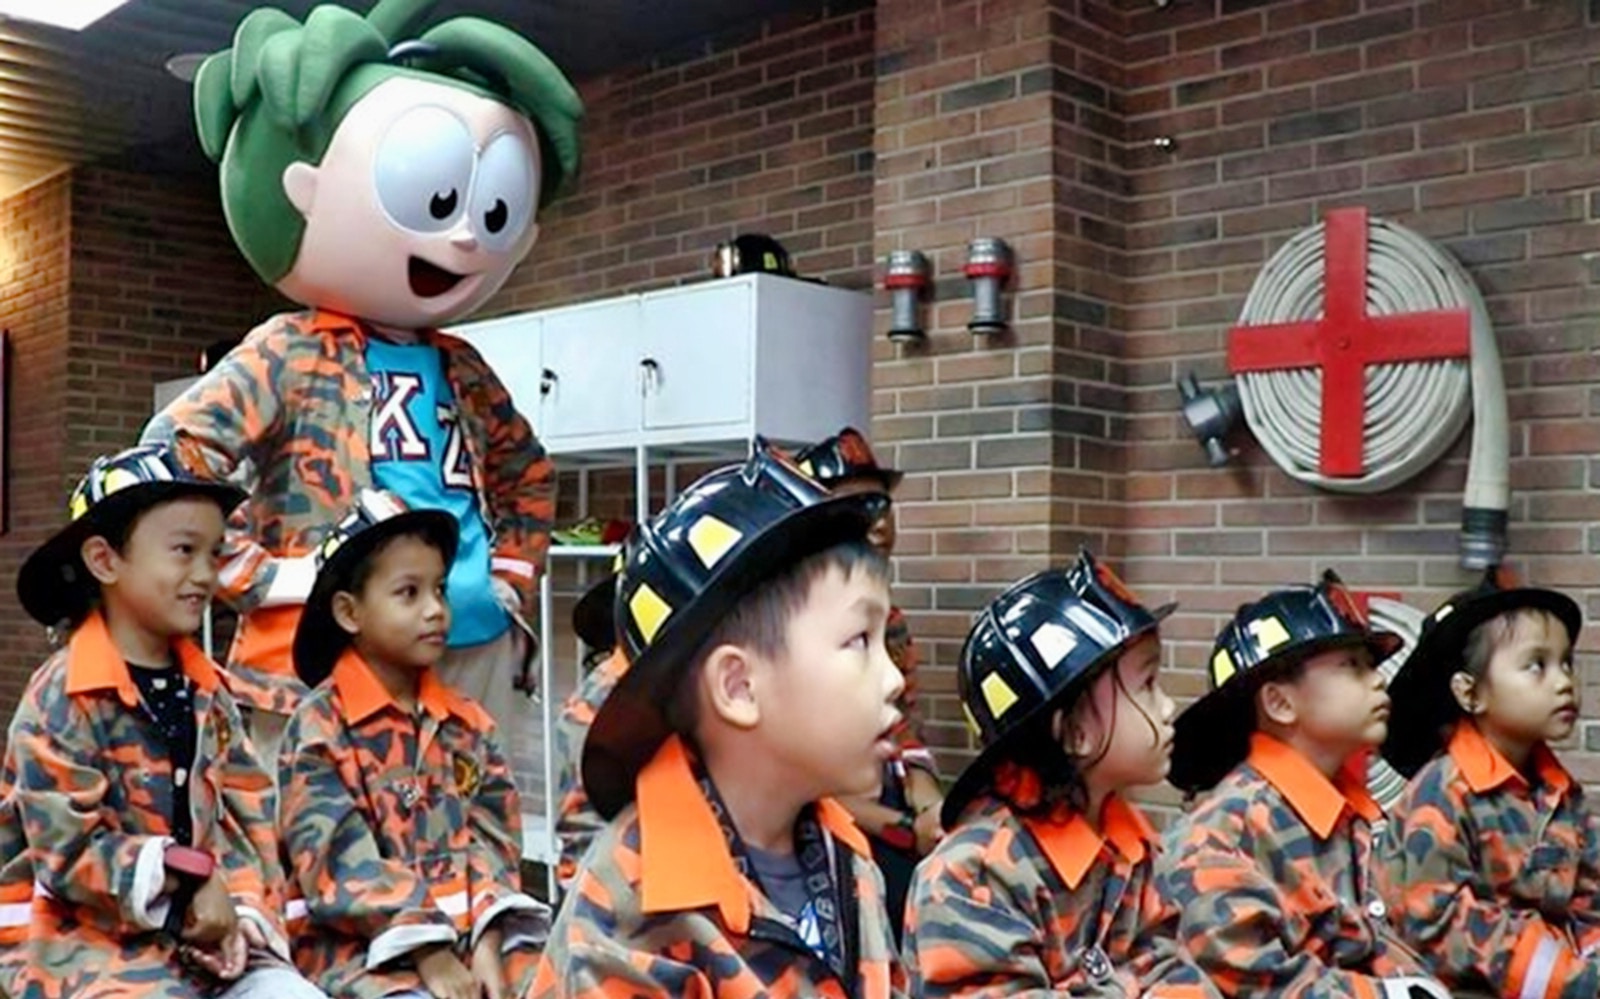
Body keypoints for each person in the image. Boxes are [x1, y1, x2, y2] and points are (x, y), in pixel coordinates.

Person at [141, 0, 583, 771]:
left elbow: (527, 470)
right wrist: (260, 573)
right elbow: (174, 456)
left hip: (467, 638)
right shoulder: (289, 349)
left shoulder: (463, 365)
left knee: (461, 850)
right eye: (438, 198)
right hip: (320, 652)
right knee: (318, 857)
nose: (466, 235)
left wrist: (511, 575)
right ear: (304, 186)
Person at [533, 444, 906, 998]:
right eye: (858, 641)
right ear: (738, 687)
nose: (895, 678)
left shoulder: (850, 865)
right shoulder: (633, 906)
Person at [0, 444, 321, 998]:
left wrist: (240, 911)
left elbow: (249, 816)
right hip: (85, 951)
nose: (205, 574)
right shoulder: (62, 696)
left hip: (216, 940)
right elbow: (67, 854)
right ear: (104, 561)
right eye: (183, 550)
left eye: (214, 553)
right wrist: (189, 881)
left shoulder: (211, 690)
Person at [903, 553, 1217, 997]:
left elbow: (1178, 976)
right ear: (1073, 731)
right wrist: (1129, 987)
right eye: (1148, 684)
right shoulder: (972, 876)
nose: (1167, 708)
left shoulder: (1132, 843)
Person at [277, 490, 549, 999]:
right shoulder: (318, 727)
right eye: (409, 593)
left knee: (557, 984)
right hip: (358, 952)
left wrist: (488, 939)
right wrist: (430, 951)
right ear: (349, 612)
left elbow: (495, 841)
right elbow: (338, 866)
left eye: (440, 590)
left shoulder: (469, 723)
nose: (435, 610)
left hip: (471, 940)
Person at [1157, 572, 1449, 998]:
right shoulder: (1225, 834)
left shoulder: (1350, 816)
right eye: (1352, 666)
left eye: (1371, 664)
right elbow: (1250, 982)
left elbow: (1376, 941)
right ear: (1279, 702)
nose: (1379, 680)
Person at [1379, 568, 1600, 997]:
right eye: (1537, 665)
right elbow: (1437, 925)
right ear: (1470, 693)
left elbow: (1589, 898)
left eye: (1567, 663)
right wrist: (1571, 981)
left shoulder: (1561, 792)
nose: (1564, 683)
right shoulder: (1442, 792)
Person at [794, 428, 942, 935]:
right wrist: (904, 830)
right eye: (857, 510)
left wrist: (930, 806)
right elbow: (793, 779)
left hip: (886, 813)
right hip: (818, 825)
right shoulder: (794, 632)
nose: (878, 525)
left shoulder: (891, 620)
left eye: (882, 505)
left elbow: (907, 730)